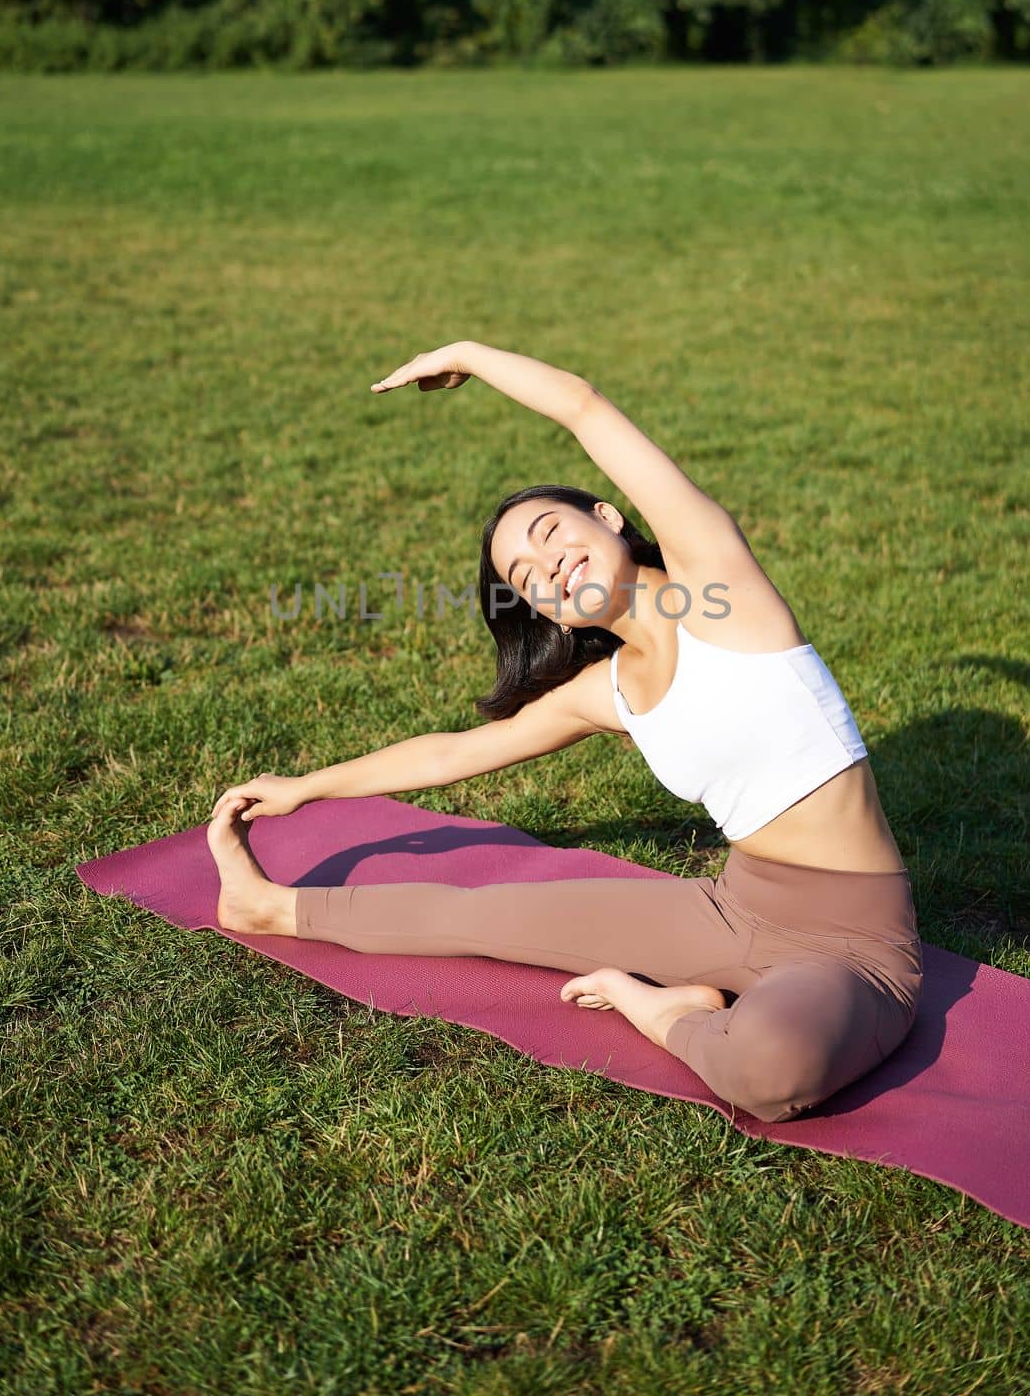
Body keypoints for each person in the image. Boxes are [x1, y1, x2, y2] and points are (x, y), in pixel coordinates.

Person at [207, 341, 922, 1124]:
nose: (545, 566)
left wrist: (468, 355)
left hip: (852, 944)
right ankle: (267, 909)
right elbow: (456, 753)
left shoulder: (720, 589)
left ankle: (663, 1011)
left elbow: (583, 406)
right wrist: (305, 788)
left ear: (607, 517)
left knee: (766, 1069)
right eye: (523, 576)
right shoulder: (603, 692)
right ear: (540, 611)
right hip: (731, 909)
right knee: (477, 918)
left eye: (550, 533)